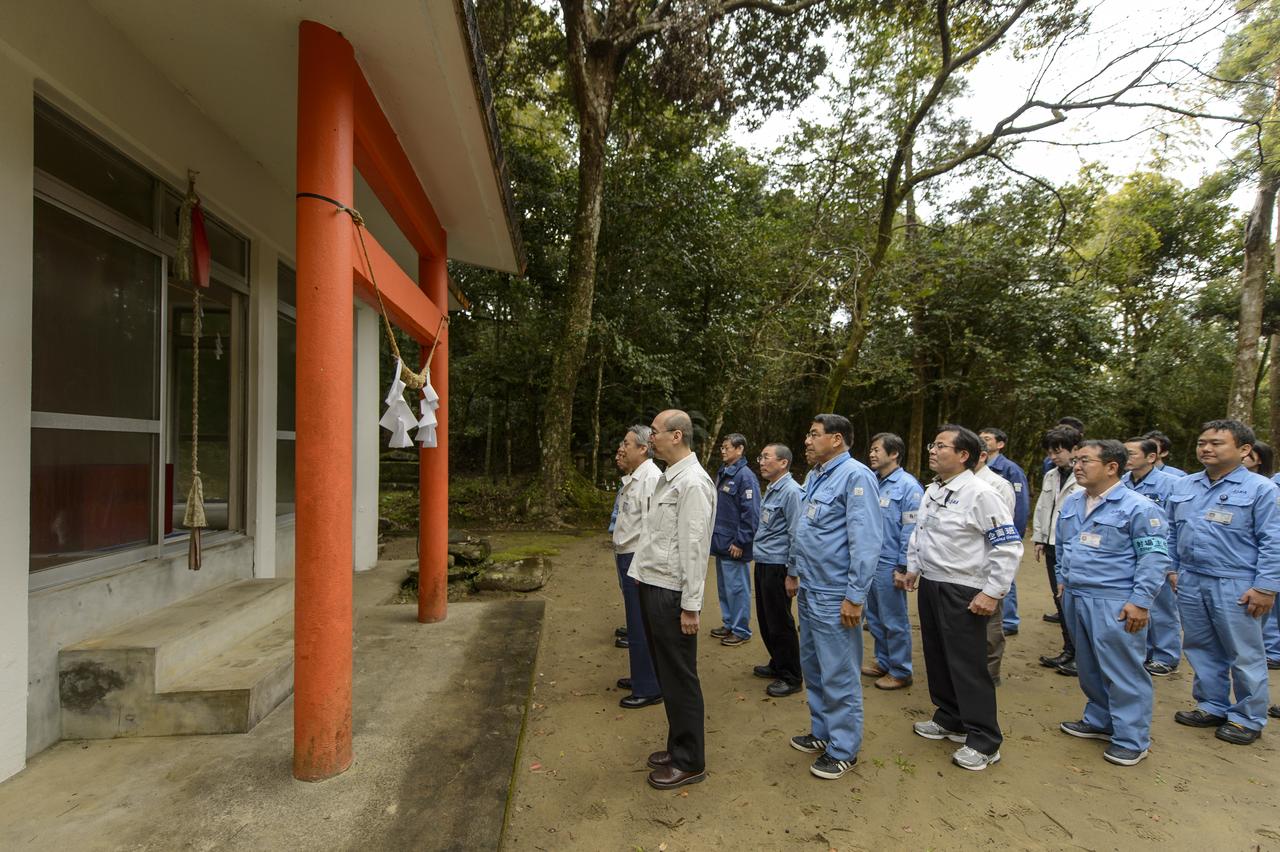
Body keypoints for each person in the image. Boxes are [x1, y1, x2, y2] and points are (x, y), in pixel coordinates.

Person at [899, 425, 1023, 771]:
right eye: (932, 444)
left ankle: (985, 739)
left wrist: (992, 592)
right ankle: (949, 717)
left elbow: (1008, 545)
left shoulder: (982, 494)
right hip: (933, 583)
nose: (933, 451)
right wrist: (914, 568)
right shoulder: (933, 490)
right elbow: (919, 532)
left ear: (964, 455)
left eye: (941, 446)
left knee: (968, 664)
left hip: (965, 589)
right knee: (938, 656)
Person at [1055, 439, 1170, 766]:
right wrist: (1063, 579)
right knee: (1089, 665)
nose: (1077, 466)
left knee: (1123, 670)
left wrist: (1141, 601)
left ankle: (1132, 739)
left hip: (1115, 600)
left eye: (1085, 461)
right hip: (1077, 596)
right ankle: (1100, 720)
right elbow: (1063, 545)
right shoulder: (1075, 502)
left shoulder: (1138, 507)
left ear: (1111, 467)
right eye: (1076, 460)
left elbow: (1154, 558)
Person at [1167, 419, 1280, 746]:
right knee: (1201, 646)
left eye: (1217, 443)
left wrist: (1265, 587)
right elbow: (1172, 532)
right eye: (1203, 442)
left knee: (1244, 653)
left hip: (1238, 583)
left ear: (1244, 449)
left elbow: (1274, 541)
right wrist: (1173, 570)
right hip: (1191, 579)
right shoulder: (1185, 485)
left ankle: (1247, 718)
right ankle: (1211, 704)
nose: (1206, 448)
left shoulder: (1262, 490)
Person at [786, 414, 883, 779]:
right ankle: (823, 732)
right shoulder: (815, 475)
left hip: (835, 593)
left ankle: (844, 748)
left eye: (814, 435)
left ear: (837, 439)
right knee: (814, 666)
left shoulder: (856, 476)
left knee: (839, 671)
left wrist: (855, 597)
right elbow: (804, 529)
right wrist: (794, 571)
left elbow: (867, 541)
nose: (807, 441)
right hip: (811, 587)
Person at [630, 409, 716, 789]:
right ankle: (676, 744)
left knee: (680, 677)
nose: (651, 438)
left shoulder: (693, 484)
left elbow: (695, 549)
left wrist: (691, 606)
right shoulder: (671, 478)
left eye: (656, 432)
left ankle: (690, 760)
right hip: (655, 582)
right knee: (669, 673)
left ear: (677, 436)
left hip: (672, 592)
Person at [863, 432, 923, 690]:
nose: (872, 454)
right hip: (870, 560)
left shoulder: (908, 486)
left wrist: (903, 567)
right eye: (872, 450)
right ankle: (883, 661)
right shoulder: (872, 482)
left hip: (890, 563)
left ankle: (901, 670)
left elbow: (912, 530)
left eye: (877, 450)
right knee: (875, 617)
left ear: (894, 453)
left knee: (894, 619)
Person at [611, 426, 664, 707]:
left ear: (643, 448)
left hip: (637, 558)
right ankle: (640, 675)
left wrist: (643, 567)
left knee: (641, 624)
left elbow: (651, 528)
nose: (623, 447)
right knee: (635, 623)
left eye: (628, 443)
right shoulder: (635, 477)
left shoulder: (651, 478)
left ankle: (649, 686)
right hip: (627, 555)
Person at [1122, 436, 1182, 677]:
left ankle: (1166, 655)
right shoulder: (1122, 482)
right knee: (1136, 604)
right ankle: (1143, 653)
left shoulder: (1172, 483)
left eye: (1131, 454)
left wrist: (1171, 564)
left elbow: (1177, 524)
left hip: (1158, 555)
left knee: (1162, 607)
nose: (1126, 458)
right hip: (1129, 555)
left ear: (1151, 457)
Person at [751, 443, 804, 697]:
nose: (761, 461)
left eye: (766, 457)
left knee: (780, 621)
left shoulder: (792, 492)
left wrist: (793, 573)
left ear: (783, 463)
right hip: (764, 561)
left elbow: (796, 534)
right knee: (766, 618)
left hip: (778, 565)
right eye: (760, 457)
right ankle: (777, 662)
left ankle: (791, 675)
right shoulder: (772, 489)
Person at [1032, 426, 1083, 676]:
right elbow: (1044, 507)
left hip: (1076, 546)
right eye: (1051, 452)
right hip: (1054, 544)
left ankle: (1081, 655)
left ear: (1075, 449)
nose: (1054, 457)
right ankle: (1069, 649)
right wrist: (1040, 537)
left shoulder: (1084, 477)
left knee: (1076, 601)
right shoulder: (1051, 475)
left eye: (1058, 451)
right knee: (1060, 599)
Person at [710, 433, 761, 647]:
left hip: (734, 545)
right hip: (722, 542)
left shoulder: (745, 476)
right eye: (722, 447)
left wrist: (741, 542)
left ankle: (741, 630)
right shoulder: (725, 472)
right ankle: (729, 623)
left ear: (739, 450)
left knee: (738, 588)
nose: (723, 450)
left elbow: (751, 515)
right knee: (724, 587)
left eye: (727, 447)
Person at [979, 427, 1031, 636]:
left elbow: (1019, 506)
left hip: (1003, 534)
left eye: (987, 438)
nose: (983, 440)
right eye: (980, 438)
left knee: (1004, 576)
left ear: (1000, 444)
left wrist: (1014, 536)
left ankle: (1009, 621)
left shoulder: (1010, 469)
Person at [974, 448, 1016, 685]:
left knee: (990, 627)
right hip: (963, 570)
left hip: (988, 566)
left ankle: (990, 675)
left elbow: (1004, 530)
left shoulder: (998, 485)